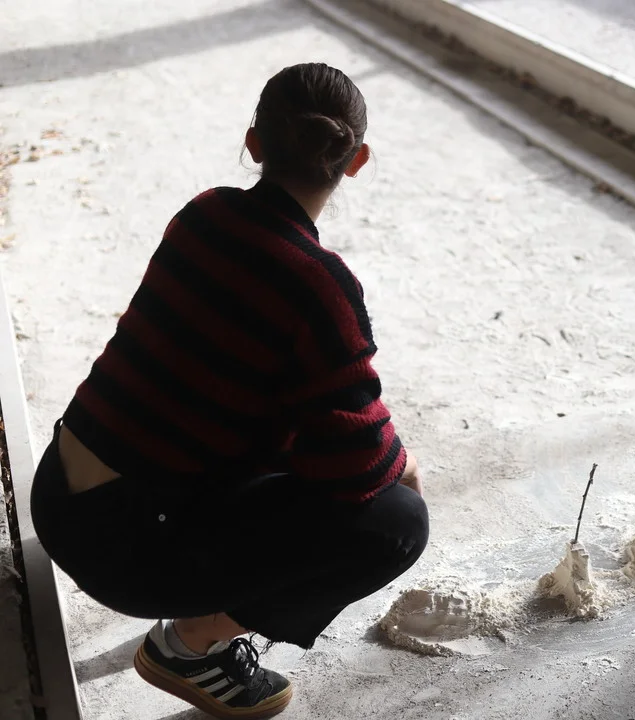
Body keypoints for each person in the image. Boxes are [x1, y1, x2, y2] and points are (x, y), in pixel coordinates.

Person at [30, 63, 428, 719]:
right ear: (355, 161)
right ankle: (190, 646)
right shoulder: (321, 285)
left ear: (254, 143)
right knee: (398, 520)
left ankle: (191, 609)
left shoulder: (204, 213)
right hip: (124, 555)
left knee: (301, 431)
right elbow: (362, 466)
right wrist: (400, 464)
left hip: (58, 497)